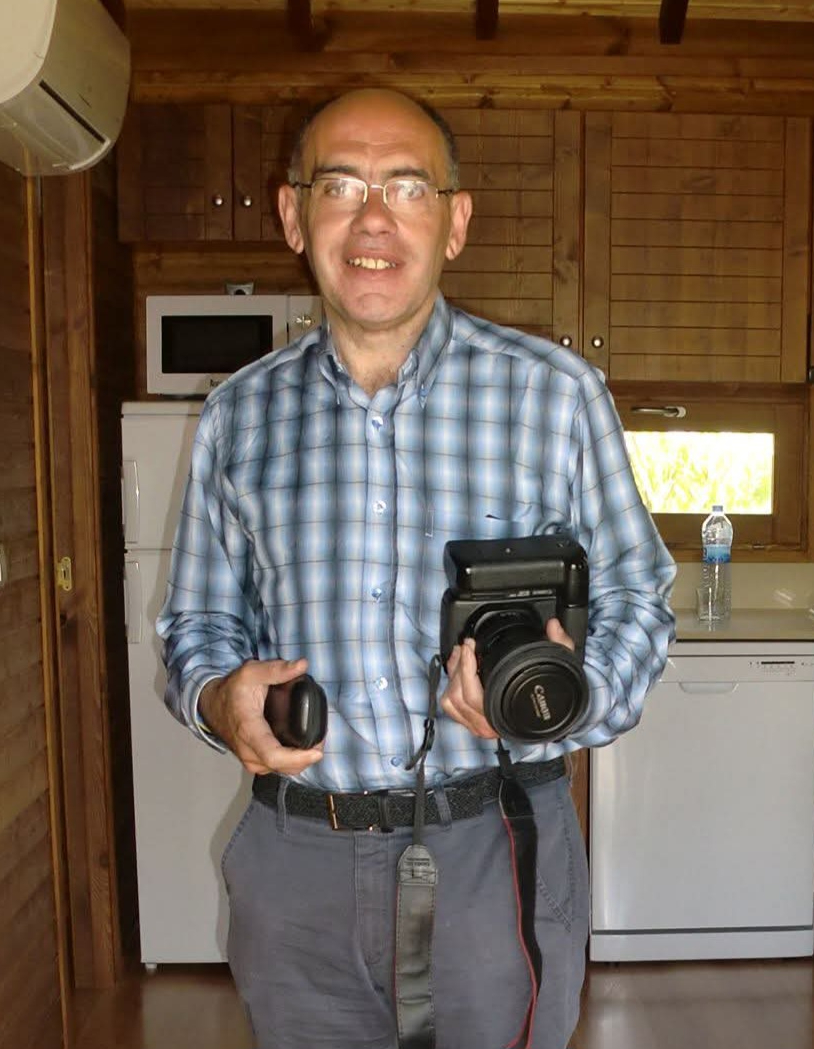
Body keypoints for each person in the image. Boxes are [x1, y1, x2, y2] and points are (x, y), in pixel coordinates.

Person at [156, 87, 676, 1049]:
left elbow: (640, 597)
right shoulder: (238, 416)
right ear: (292, 213)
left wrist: (569, 697)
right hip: (297, 858)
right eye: (341, 185)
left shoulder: (555, 397)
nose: (373, 219)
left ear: (455, 221)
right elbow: (195, 627)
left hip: (496, 842)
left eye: (406, 186)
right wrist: (216, 698)